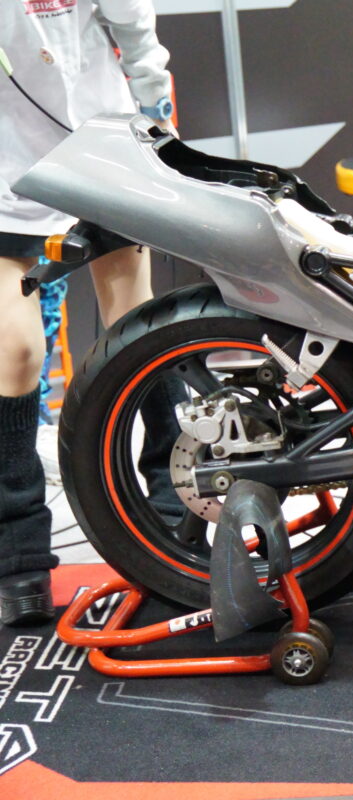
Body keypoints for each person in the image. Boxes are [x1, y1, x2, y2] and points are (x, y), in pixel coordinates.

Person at [0, 0, 175, 626]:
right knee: (15, 353)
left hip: (104, 144)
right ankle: (18, 556)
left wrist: (157, 123)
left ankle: (173, 518)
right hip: (6, 160)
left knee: (140, 329)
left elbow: (136, 33)